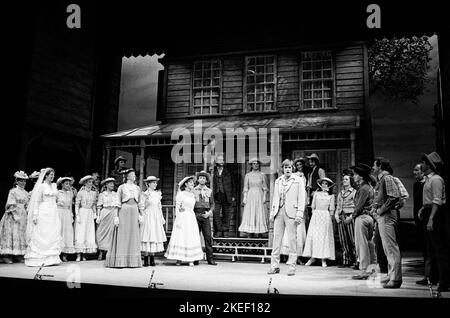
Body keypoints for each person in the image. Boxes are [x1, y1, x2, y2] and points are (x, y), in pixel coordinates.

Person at [268, 159, 306, 276]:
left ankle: (292, 267)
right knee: (276, 240)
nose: (287, 169)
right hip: (279, 212)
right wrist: (272, 212)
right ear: (282, 169)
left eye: (289, 167)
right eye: (285, 167)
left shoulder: (298, 180)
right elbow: (275, 197)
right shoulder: (278, 181)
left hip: (292, 213)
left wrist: (299, 213)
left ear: (292, 168)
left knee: (292, 240)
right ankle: (274, 266)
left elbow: (302, 198)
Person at [418, 152, 449, 292]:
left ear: (429, 165)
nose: (421, 165)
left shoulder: (436, 179)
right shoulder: (428, 180)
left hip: (435, 215)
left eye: (424, 162)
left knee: (439, 248)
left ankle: (444, 282)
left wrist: (431, 218)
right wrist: (423, 209)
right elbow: (429, 200)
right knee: (431, 248)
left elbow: (437, 200)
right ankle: (434, 277)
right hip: (428, 212)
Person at [371, 158, 403, 288]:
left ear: (380, 166)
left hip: (387, 216)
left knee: (391, 247)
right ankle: (391, 275)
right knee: (386, 248)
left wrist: (380, 210)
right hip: (382, 216)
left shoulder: (387, 178)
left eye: (374, 165)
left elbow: (394, 197)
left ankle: (395, 278)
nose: (372, 167)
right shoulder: (381, 180)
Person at [24, 168, 63, 267]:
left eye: (53, 175)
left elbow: (57, 198)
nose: (52, 177)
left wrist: (58, 202)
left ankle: (52, 258)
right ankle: (39, 257)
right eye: (51, 175)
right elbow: (37, 201)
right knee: (42, 232)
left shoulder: (54, 186)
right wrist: (35, 215)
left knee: (52, 232)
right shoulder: (41, 186)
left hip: (53, 211)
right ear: (46, 175)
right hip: (44, 210)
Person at [105, 168, 142, 268]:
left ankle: (132, 262)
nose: (134, 176)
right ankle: (121, 261)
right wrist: (116, 216)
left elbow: (140, 202)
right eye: (133, 175)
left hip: (134, 210)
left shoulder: (137, 188)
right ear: (128, 176)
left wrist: (140, 214)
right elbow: (117, 202)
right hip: (124, 210)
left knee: (133, 234)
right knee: (123, 234)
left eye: (135, 175)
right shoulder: (122, 187)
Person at [165, 176, 204, 266]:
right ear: (185, 184)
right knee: (181, 236)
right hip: (182, 216)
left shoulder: (193, 194)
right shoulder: (181, 194)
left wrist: (195, 193)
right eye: (190, 182)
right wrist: (178, 219)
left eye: (192, 183)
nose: (192, 184)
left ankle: (191, 259)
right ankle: (179, 259)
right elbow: (178, 208)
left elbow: (196, 203)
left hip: (190, 216)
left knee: (190, 236)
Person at [349, 163, 377, 280]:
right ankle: (372, 269)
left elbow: (359, 206)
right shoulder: (368, 187)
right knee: (369, 244)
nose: (354, 177)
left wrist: (351, 217)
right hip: (369, 218)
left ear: (361, 176)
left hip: (362, 218)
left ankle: (365, 270)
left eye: (355, 174)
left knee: (362, 245)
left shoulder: (364, 188)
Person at [303, 177, 336, 267]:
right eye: (323, 183)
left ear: (328, 186)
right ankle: (312, 258)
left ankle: (323, 259)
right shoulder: (316, 194)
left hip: (325, 216)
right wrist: (314, 216)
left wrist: (330, 218)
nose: (324, 185)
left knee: (324, 237)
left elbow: (332, 209)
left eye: (326, 184)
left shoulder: (331, 196)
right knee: (315, 235)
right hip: (316, 216)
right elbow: (313, 206)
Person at [0, 171, 30, 263]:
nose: (23, 183)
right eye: (21, 181)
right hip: (13, 215)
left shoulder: (26, 192)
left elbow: (27, 205)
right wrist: (15, 215)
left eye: (24, 181)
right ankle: (6, 255)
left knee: (20, 234)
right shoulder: (13, 191)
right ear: (17, 181)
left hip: (23, 214)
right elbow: (10, 204)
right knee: (10, 233)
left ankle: (18, 254)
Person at [140, 176, 167, 266]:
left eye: (156, 183)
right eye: (153, 183)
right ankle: (146, 258)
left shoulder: (157, 194)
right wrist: (142, 215)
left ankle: (152, 257)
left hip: (156, 216)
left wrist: (162, 217)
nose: (155, 184)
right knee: (148, 234)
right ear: (148, 184)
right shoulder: (145, 194)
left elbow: (159, 207)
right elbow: (141, 206)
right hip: (148, 215)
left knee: (154, 234)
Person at [239, 158, 268, 238]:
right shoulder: (248, 175)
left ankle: (259, 232)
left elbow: (265, 187)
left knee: (258, 212)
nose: (256, 165)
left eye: (257, 164)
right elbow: (245, 187)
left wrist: (265, 196)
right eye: (254, 164)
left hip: (259, 194)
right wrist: (245, 197)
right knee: (250, 212)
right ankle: (250, 232)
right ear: (251, 165)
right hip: (250, 195)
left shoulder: (262, 175)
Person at [193, 171, 217, 266]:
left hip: (205, 215)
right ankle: (195, 259)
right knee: (195, 237)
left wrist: (209, 212)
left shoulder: (209, 191)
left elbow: (213, 204)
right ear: (198, 179)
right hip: (196, 214)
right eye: (200, 178)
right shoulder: (194, 190)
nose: (202, 179)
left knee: (207, 237)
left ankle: (210, 259)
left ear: (206, 180)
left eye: (204, 178)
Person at [334, 173, 357, 267]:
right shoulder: (341, 193)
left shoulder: (354, 192)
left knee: (353, 239)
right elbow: (338, 205)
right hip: (341, 216)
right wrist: (336, 215)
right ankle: (346, 261)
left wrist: (351, 216)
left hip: (350, 215)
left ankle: (357, 261)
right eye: (343, 179)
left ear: (350, 181)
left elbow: (356, 206)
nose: (344, 181)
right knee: (343, 240)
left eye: (346, 179)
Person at [96, 177, 120, 261]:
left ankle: (109, 252)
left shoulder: (116, 194)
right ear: (106, 185)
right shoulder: (102, 194)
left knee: (111, 233)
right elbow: (99, 206)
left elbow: (117, 206)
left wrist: (117, 216)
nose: (112, 185)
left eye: (113, 183)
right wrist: (98, 216)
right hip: (104, 212)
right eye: (110, 183)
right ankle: (101, 251)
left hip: (113, 212)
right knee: (101, 232)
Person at [212, 154, 236, 237]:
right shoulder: (213, 171)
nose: (221, 162)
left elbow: (233, 184)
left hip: (227, 195)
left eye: (222, 160)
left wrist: (233, 195)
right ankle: (218, 230)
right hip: (216, 195)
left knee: (227, 213)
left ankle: (225, 230)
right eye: (219, 160)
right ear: (216, 161)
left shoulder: (228, 171)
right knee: (215, 213)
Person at [56, 176, 75, 262]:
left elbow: (70, 205)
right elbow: (54, 204)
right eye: (66, 184)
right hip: (59, 213)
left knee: (67, 233)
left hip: (67, 213)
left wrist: (71, 215)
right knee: (59, 231)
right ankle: (57, 254)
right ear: (62, 184)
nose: (68, 185)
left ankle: (64, 254)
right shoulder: (58, 193)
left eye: (69, 184)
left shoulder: (70, 193)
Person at [306, 153, 326, 230]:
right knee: (311, 210)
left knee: (317, 211)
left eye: (312, 162)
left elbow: (324, 184)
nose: (311, 164)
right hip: (310, 193)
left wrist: (317, 191)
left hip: (317, 193)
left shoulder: (320, 170)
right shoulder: (310, 172)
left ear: (316, 162)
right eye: (310, 162)